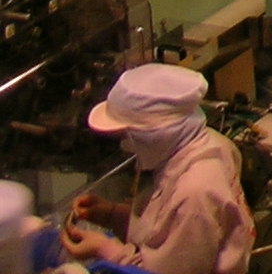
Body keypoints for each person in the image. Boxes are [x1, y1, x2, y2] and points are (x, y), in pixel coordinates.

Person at [60, 63, 251, 274]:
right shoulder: (212, 144)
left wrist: (106, 250)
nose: (125, 145)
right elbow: (168, 228)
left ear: (155, 134)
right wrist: (112, 214)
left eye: (127, 135)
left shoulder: (195, 192)